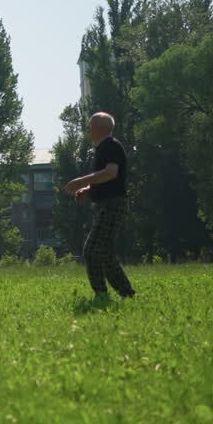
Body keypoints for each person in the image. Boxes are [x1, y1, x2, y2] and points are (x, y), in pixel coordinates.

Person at [63, 112, 136, 300]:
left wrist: (80, 181)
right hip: (107, 205)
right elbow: (108, 179)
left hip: (113, 205)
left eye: (90, 125)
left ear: (100, 128)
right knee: (106, 255)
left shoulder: (111, 146)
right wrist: (88, 190)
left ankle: (101, 294)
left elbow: (111, 173)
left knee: (92, 250)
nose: (87, 129)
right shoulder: (103, 148)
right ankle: (127, 293)